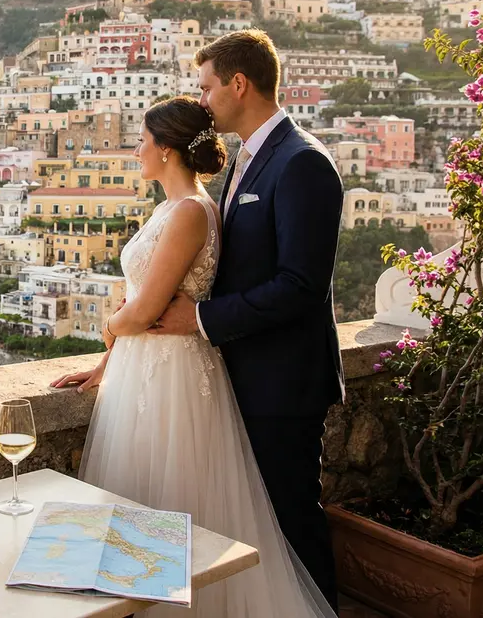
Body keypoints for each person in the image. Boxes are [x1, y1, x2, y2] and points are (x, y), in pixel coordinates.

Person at [52, 31, 343, 617]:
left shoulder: (302, 161)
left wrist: (200, 319)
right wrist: (112, 359)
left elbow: (300, 285)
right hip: (232, 371)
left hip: (282, 382)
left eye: (208, 86)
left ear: (238, 84)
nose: (202, 100)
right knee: (233, 528)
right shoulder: (244, 162)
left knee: (290, 526)